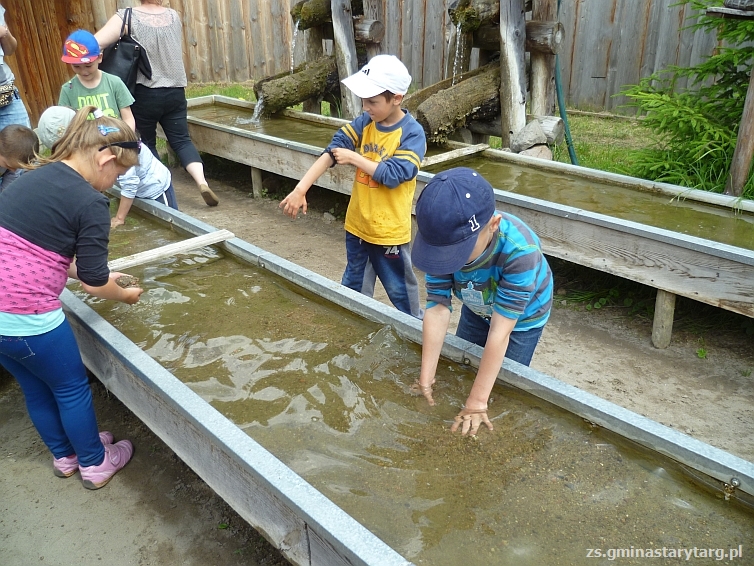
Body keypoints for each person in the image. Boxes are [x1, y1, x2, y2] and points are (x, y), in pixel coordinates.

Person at [0, 105, 143, 489]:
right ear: (105, 157)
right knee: (70, 388)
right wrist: (123, 295)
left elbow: (44, 253)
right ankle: (95, 464)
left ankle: (65, 457)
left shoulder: (32, 176)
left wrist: (98, 273)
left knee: (35, 388)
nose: (115, 183)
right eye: (119, 173)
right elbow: (96, 286)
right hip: (30, 319)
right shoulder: (91, 201)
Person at [280, 54, 426, 318]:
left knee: (402, 294)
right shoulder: (365, 122)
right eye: (363, 100)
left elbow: (396, 174)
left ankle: (419, 331)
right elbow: (333, 150)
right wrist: (301, 189)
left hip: (388, 233)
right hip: (358, 226)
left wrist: (356, 158)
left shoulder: (412, 134)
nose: (365, 107)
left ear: (396, 99)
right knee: (352, 288)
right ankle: (350, 327)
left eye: (373, 101)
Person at [411, 167, 554, 436]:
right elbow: (438, 307)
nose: (448, 261)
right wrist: (425, 378)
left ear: (493, 225)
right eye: (443, 253)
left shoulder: (520, 252)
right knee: (466, 361)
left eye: (457, 252)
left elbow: (500, 334)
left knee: (502, 385)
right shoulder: (444, 241)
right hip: (476, 304)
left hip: (523, 319)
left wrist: (477, 402)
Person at [95, 0, 219, 207]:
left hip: (145, 93)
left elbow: (94, 42)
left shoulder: (127, 17)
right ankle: (202, 182)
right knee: (181, 140)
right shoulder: (173, 16)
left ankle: (160, 188)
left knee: (147, 143)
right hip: (176, 91)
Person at [37, 103, 178, 227]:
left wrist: (119, 218)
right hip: (135, 187)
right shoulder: (95, 139)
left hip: (154, 187)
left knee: (169, 223)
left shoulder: (117, 150)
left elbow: (130, 184)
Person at [58, 29, 136, 133]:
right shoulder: (68, 90)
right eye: (76, 66)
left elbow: (128, 118)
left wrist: (126, 140)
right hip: (85, 145)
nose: (84, 71)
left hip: (115, 141)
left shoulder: (114, 83)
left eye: (88, 66)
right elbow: (64, 125)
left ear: (99, 58)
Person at [0, 123, 37, 192]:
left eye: (17, 168)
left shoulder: (12, 164)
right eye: (7, 165)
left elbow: (7, 191)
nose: (13, 170)